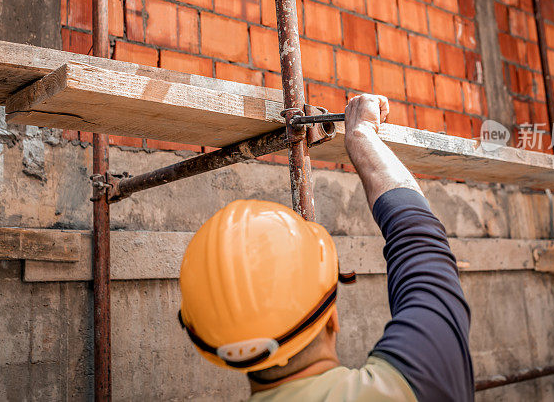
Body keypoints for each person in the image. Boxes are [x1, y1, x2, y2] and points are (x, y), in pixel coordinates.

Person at [178, 94, 474, 401]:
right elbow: (420, 240)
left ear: (203, 342)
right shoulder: (405, 391)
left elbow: (423, 244)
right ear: (332, 317)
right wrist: (362, 137)